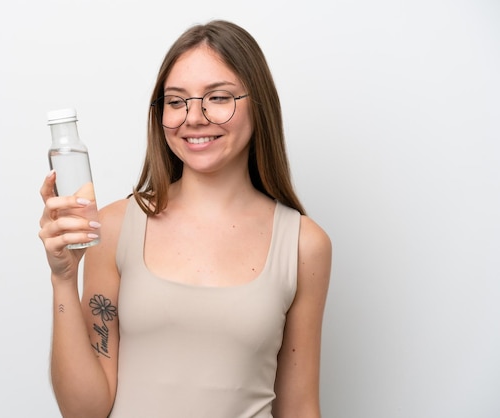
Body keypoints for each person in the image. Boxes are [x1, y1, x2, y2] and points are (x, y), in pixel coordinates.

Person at [39, 19, 332, 418]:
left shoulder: (304, 244)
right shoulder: (114, 227)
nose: (193, 117)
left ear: (258, 102)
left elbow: (299, 407)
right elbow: (84, 411)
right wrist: (62, 279)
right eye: (176, 101)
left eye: (218, 97)